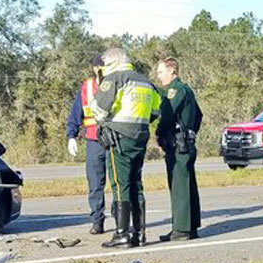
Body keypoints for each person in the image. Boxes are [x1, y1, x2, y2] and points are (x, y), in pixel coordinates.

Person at [88, 47, 162, 248]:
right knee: (136, 183)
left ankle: (122, 234)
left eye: (105, 65)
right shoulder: (146, 82)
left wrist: (108, 121)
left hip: (119, 137)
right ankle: (139, 233)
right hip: (140, 136)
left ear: (113, 63)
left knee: (120, 185)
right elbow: (156, 110)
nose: (103, 69)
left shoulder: (115, 78)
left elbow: (98, 109)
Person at [155, 57, 203, 241]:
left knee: (179, 186)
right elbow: (198, 115)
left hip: (177, 144)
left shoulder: (174, 90)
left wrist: (159, 133)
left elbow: (167, 115)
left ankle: (181, 229)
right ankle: (190, 227)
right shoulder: (187, 89)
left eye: (161, 72)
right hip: (186, 142)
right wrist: (190, 132)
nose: (159, 76)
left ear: (171, 71)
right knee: (188, 184)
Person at [65, 55, 108, 234]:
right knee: (95, 183)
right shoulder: (87, 87)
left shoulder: (117, 84)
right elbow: (76, 113)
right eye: (100, 66)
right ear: (94, 68)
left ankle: (122, 221)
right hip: (94, 140)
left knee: (118, 183)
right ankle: (97, 220)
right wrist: (71, 136)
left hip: (114, 139)